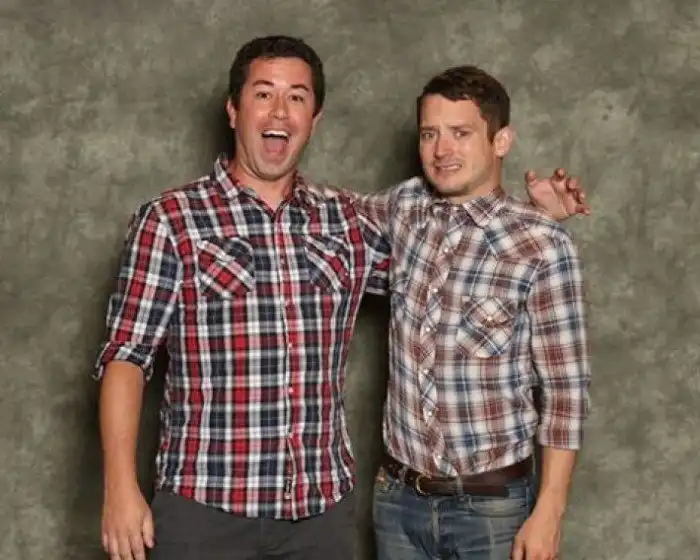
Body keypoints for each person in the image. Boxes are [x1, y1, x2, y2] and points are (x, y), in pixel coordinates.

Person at [92, 35, 588, 560]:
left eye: (297, 97)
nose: (279, 110)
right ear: (234, 110)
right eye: (263, 94)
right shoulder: (171, 220)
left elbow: (458, 259)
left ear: (315, 118)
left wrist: (529, 220)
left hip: (321, 513)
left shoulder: (343, 219)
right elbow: (126, 356)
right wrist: (119, 487)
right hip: (204, 506)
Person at [342, 65, 591, 560]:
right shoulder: (405, 207)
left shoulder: (542, 244)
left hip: (492, 509)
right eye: (429, 134)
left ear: (501, 141)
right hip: (398, 503)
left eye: (460, 133)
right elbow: (326, 216)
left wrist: (549, 512)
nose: (442, 150)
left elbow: (565, 393)